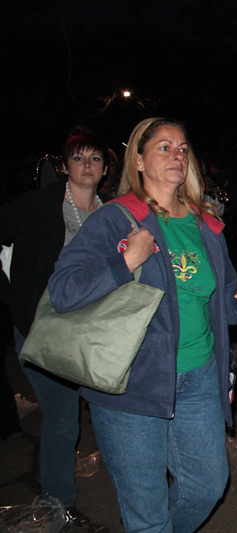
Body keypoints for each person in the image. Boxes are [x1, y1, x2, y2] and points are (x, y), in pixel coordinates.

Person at [48, 117, 237, 533]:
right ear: (140, 161)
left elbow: (225, 304)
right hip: (133, 383)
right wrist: (125, 261)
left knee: (206, 486)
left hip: (199, 378)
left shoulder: (206, 224)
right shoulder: (116, 218)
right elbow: (63, 290)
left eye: (182, 148)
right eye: (163, 147)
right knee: (146, 511)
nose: (176, 155)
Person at [0, 127, 109, 526]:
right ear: (64, 166)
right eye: (79, 158)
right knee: (63, 418)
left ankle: (131, 482)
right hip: (43, 328)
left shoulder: (111, 212)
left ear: (104, 169)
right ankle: (58, 502)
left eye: (95, 159)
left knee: (108, 410)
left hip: (92, 331)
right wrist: (12, 297)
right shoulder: (39, 205)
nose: (86, 166)